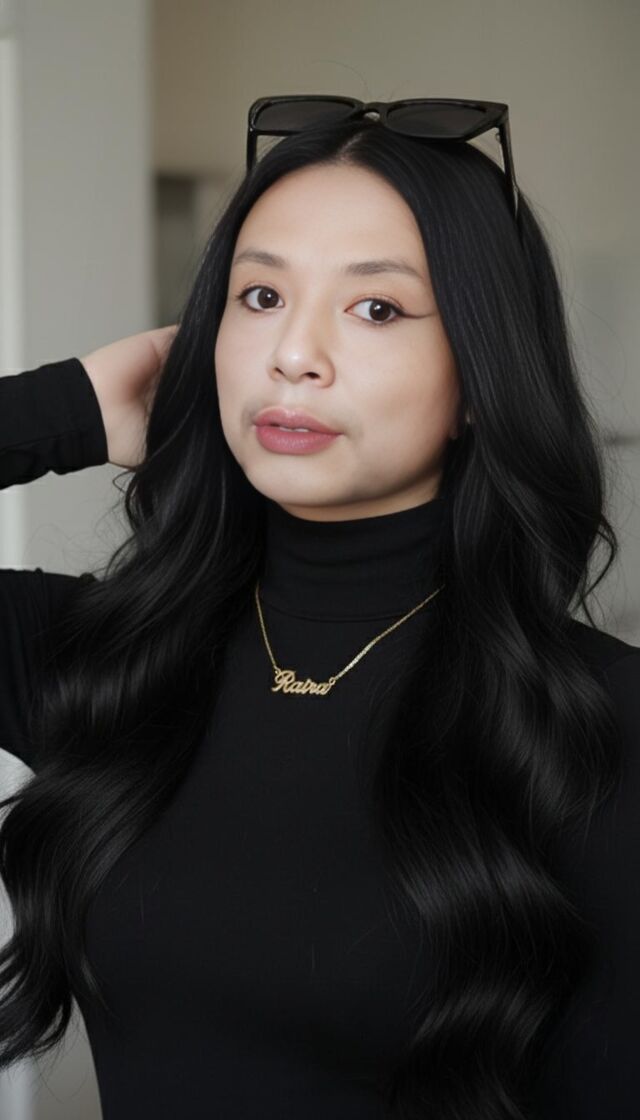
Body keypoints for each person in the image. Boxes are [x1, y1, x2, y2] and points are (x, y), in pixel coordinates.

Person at [0, 101, 638, 1120]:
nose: (293, 353)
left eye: (376, 307)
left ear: (481, 375)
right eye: (259, 296)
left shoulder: (599, 721)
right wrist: (64, 408)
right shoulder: (112, 662)